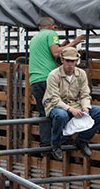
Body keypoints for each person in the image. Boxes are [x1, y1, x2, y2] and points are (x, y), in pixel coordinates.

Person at [29, 17, 84, 150]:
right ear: (53, 27)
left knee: (44, 113)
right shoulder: (51, 34)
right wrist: (74, 43)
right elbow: (56, 52)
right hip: (48, 78)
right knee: (64, 108)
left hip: (35, 80)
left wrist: (64, 46)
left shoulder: (34, 39)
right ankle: (62, 141)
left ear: (39, 28)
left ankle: (45, 145)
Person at [43, 47, 100, 160]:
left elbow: (85, 94)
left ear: (77, 61)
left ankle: (82, 140)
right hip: (55, 105)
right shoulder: (53, 75)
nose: (70, 64)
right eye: (67, 60)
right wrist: (70, 109)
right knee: (61, 115)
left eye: (72, 61)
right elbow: (54, 98)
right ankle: (56, 144)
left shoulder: (81, 74)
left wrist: (86, 107)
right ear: (62, 60)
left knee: (98, 112)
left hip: (75, 104)